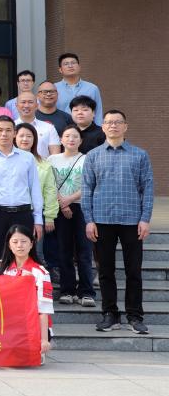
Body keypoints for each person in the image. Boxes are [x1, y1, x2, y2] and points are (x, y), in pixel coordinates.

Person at [82, 110, 154, 335]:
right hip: (102, 220)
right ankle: (110, 314)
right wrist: (89, 220)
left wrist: (145, 219)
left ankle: (135, 316)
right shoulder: (92, 156)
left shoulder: (139, 155)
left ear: (125, 126)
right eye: (108, 122)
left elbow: (147, 188)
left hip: (132, 220)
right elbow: (86, 189)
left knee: (134, 271)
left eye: (117, 122)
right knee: (105, 271)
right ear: (103, 127)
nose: (113, 126)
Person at [0, 116, 44, 263]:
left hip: (23, 213)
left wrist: (38, 219)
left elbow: (35, 190)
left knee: (24, 258)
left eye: (8, 130)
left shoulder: (27, 158)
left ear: (14, 133)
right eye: (0, 130)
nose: (4, 134)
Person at [48, 126, 95, 307]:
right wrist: (63, 203)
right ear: (61, 139)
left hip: (82, 207)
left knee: (84, 250)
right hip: (60, 209)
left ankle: (86, 292)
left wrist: (69, 199)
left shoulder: (87, 159)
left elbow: (90, 184)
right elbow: (49, 184)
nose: (71, 139)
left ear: (80, 141)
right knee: (64, 250)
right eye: (67, 136)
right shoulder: (52, 159)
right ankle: (67, 290)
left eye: (75, 137)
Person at [0, 225, 53, 358]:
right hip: (6, 321)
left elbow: (44, 309)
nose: (19, 245)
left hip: (31, 323)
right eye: (15, 242)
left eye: (24, 241)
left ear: (31, 244)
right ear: (9, 245)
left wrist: (44, 340)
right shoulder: (0, 268)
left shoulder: (41, 272)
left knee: (16, 358)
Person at [15, 123, 60, 272]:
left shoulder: (44, 163)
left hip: (35, 214)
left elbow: (50, 190)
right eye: (21, 135)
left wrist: (50, 216)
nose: (25, 139)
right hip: (12, 211)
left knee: (36, 251)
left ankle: (36, 283)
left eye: (29, 136)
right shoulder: (8, 160)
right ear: (15, 137)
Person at [55, 52, 103, 121]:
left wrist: (98, 127)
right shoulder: (54, 89)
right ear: (60, 70)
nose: (70, 66)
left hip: (87, 127)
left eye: (73, 63)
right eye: (66, 64)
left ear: (79, 67)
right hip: (62, 126)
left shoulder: (92, 88)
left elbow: (98, 113)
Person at [14, 91, 61, 156]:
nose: (26, 105)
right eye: (23, 102)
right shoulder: (11, 127)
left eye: (30, 102)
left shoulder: (49, 128)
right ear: (16, 106)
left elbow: (55, 155)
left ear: (36, 106)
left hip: (42, 162)